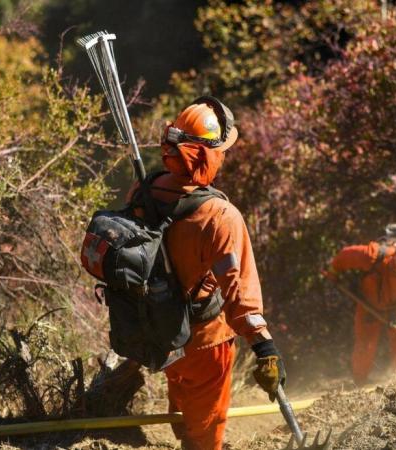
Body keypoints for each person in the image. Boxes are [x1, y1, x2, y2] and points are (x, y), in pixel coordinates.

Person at [127, 97, 285, 450]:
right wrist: (264, 347)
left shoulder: (142, 190)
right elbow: (239, 290)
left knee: (182, 402)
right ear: (207, 154)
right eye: (222, 151)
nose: (225, 156)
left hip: (160, 331)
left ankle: (187, 438)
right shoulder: (220, 215)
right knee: (206, 430)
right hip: (205, 341)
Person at [325, 224, 396, 384]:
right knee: (365, 345)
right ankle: (359, 383)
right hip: (371, 303)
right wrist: (333, 273)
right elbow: (344, 256)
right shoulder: (374, 255)